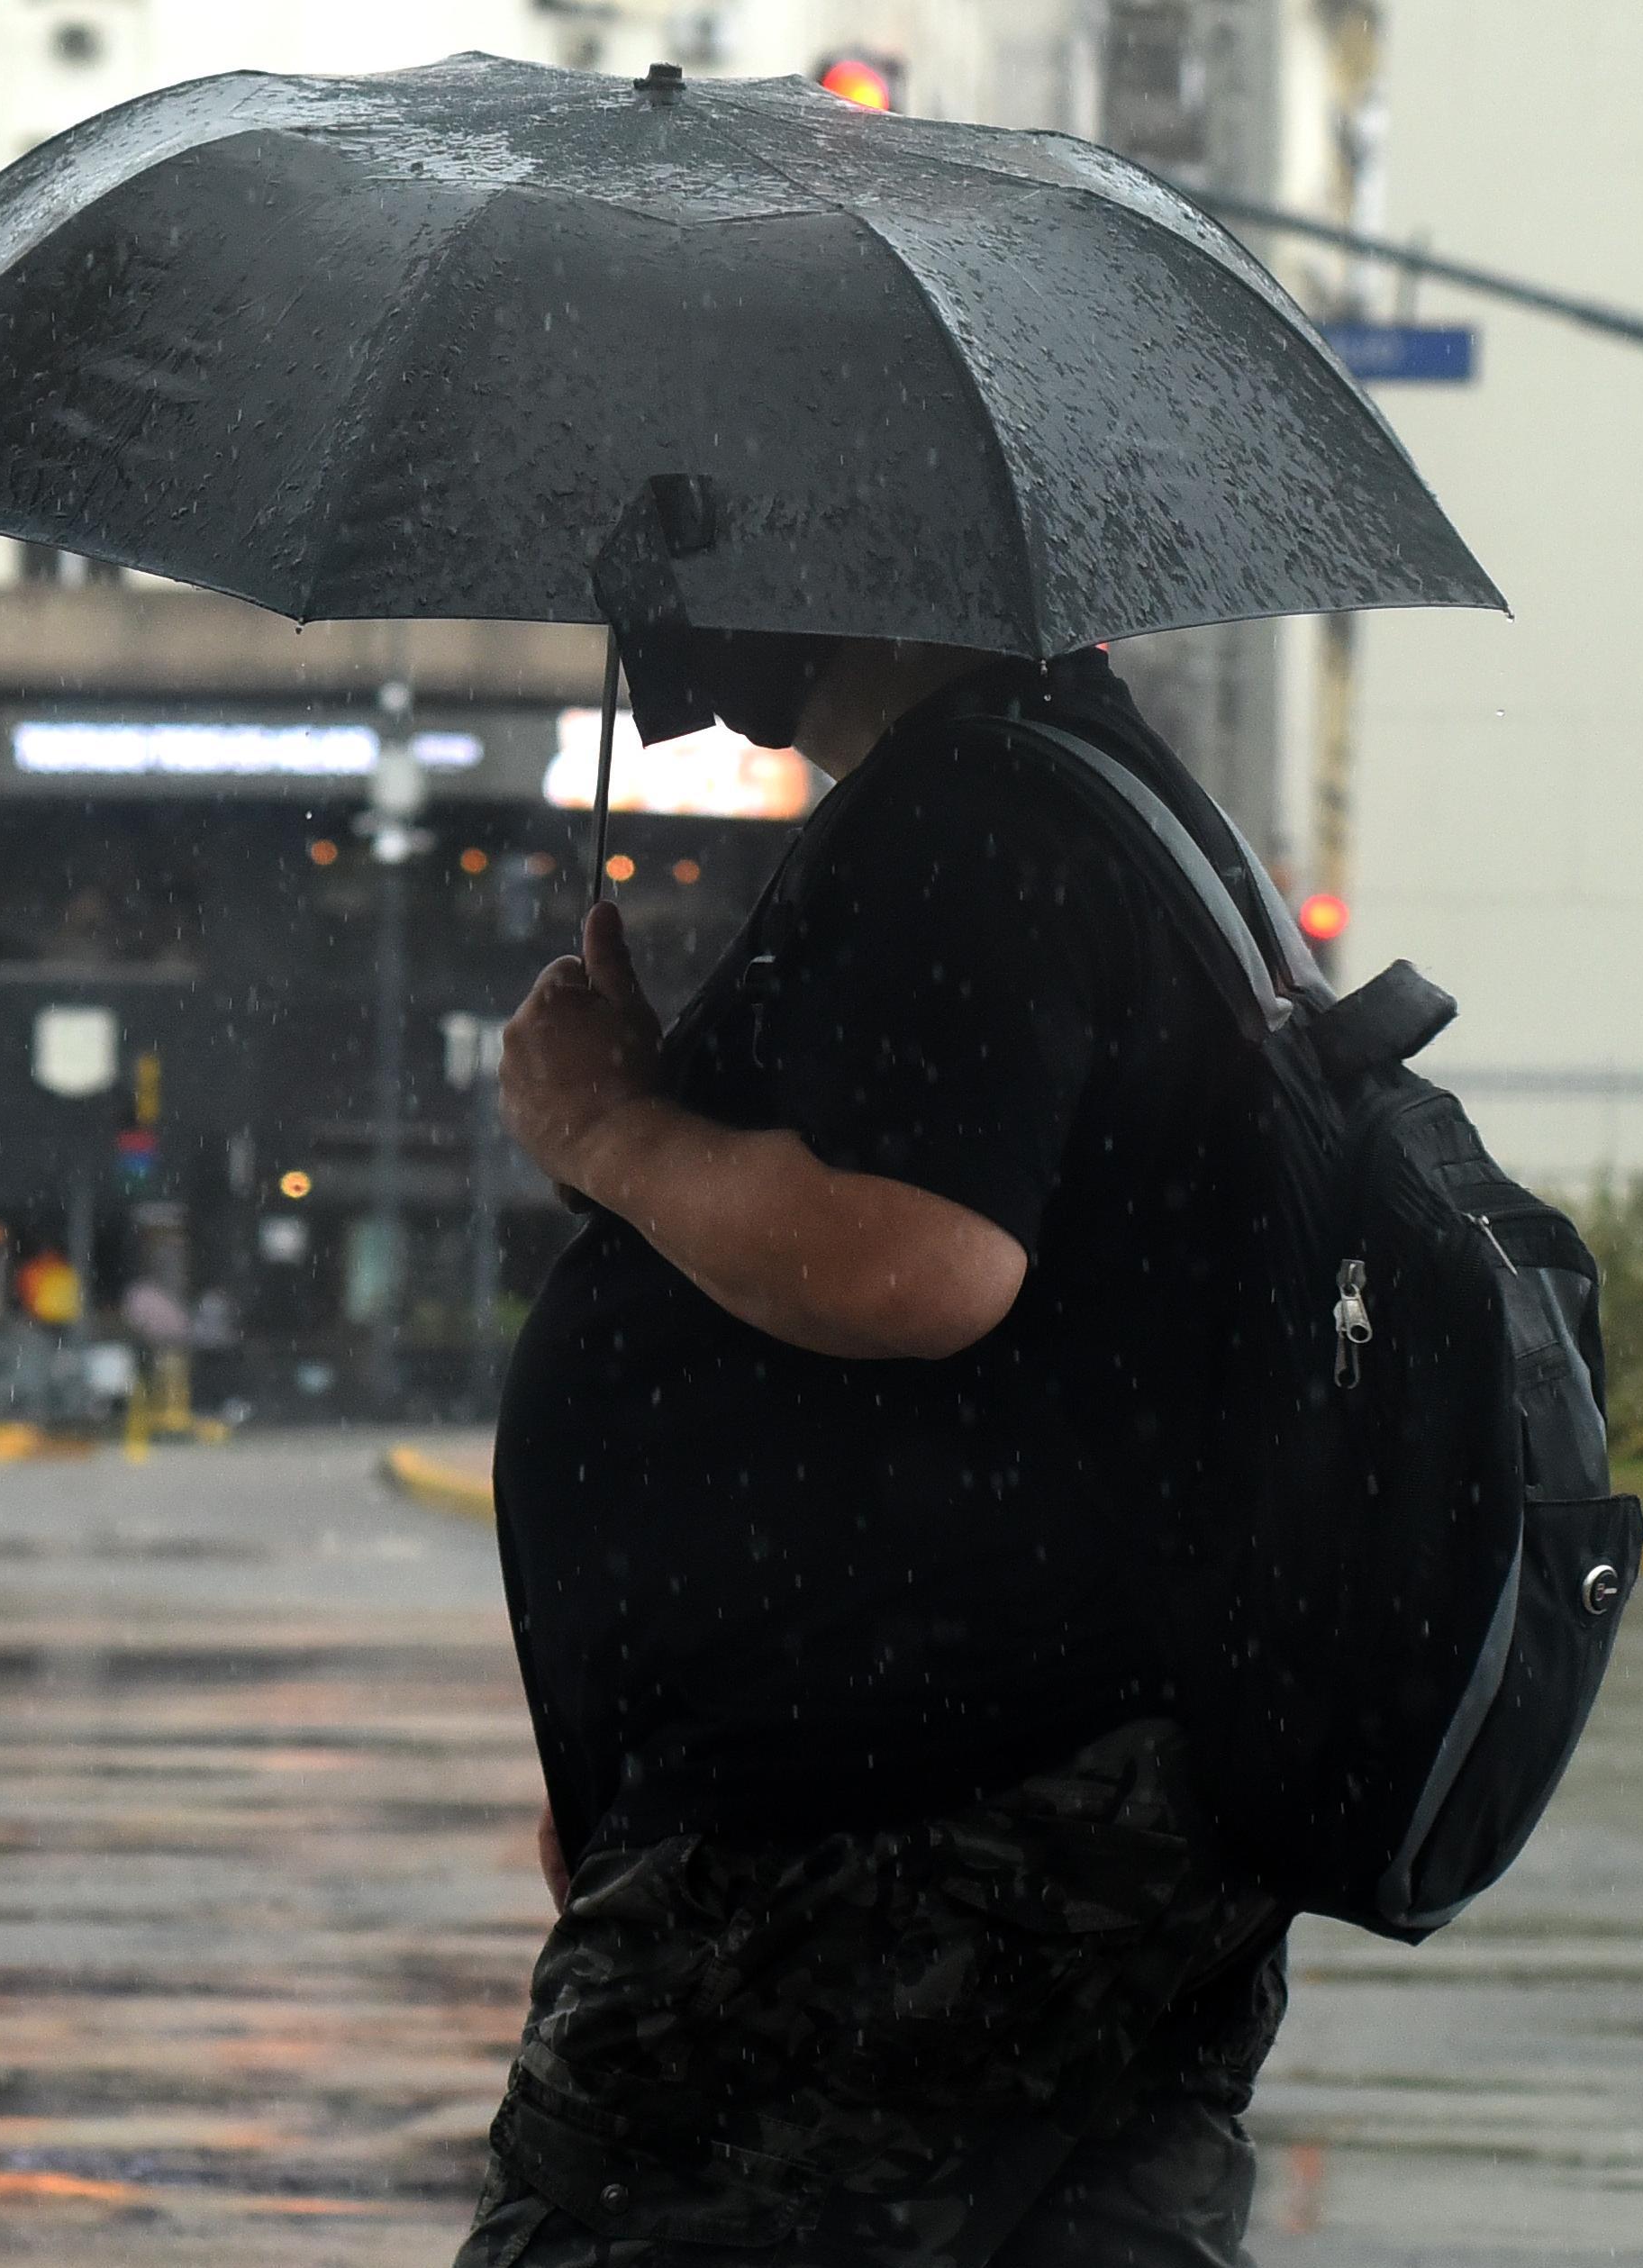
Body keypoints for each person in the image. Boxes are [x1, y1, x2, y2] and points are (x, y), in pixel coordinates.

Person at [469, 630, 1284, 2266]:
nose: (651, 589)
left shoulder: (971, 815)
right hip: (1029, 1815)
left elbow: (915, 1260)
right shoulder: (1063, 793)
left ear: (830, 526)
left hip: (876, 1848)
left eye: (693, 512)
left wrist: (608, 1129)